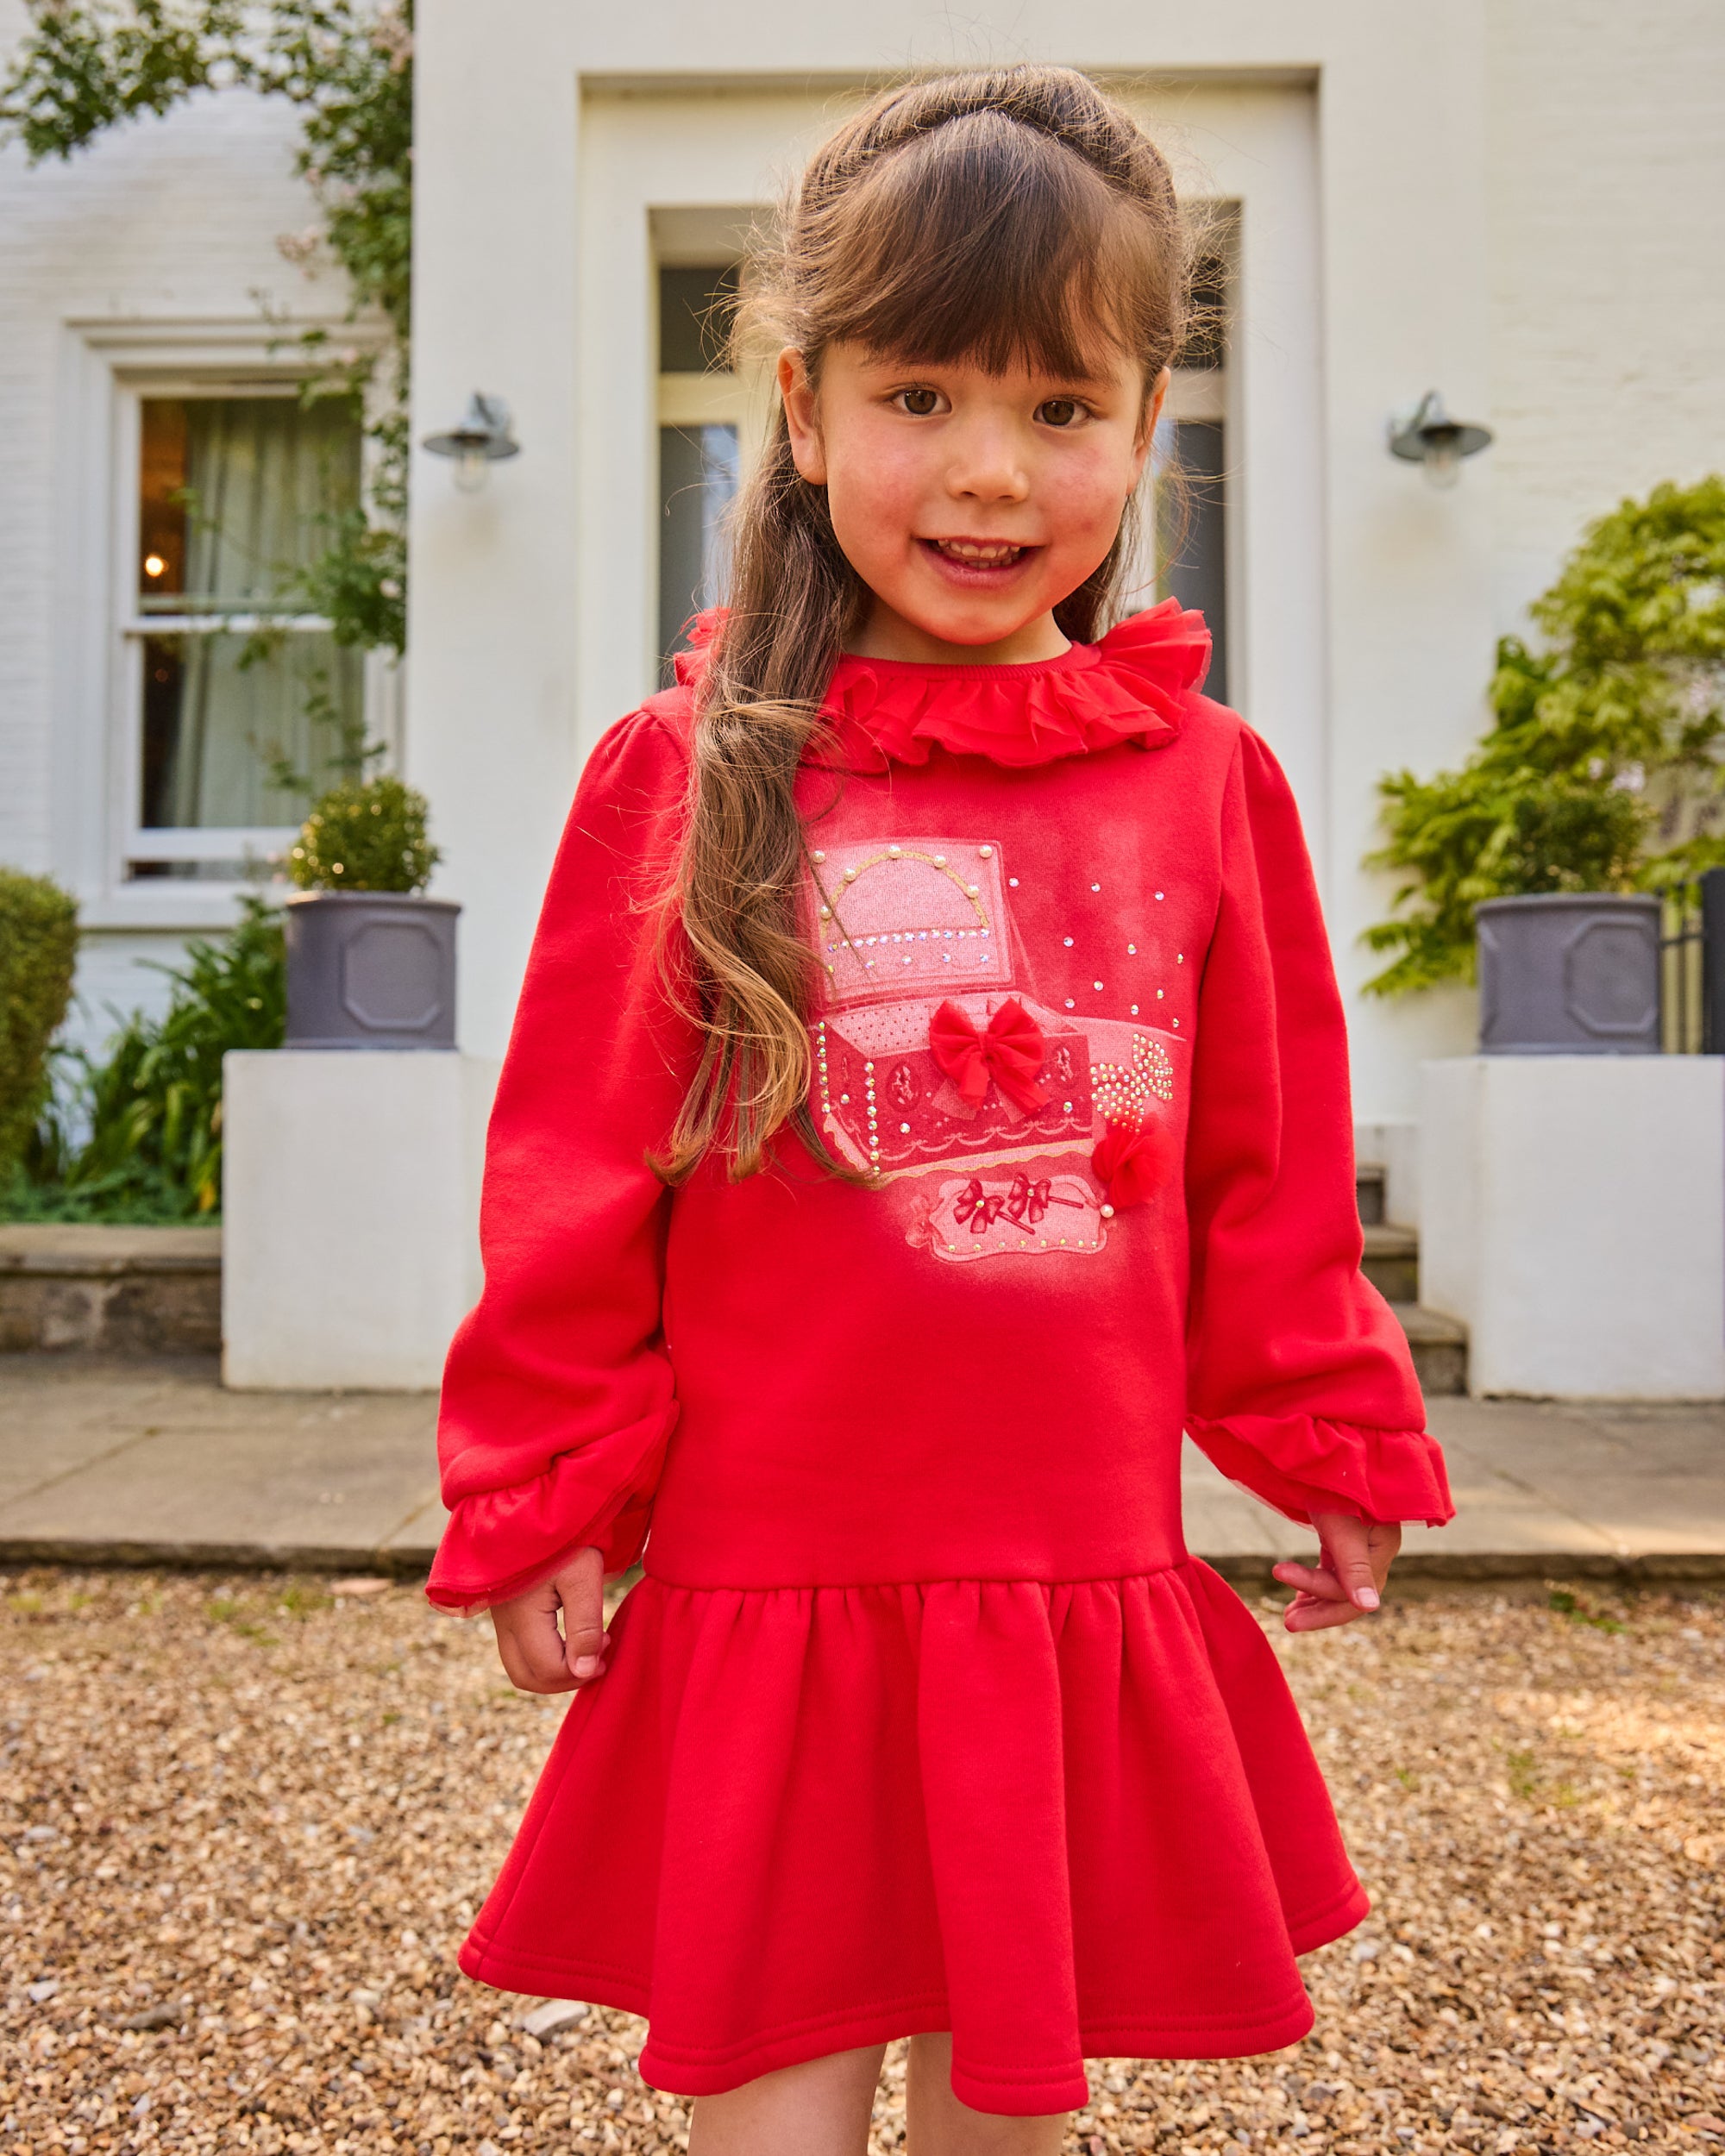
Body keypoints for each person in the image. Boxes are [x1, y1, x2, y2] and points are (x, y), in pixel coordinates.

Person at [425, 64, 1454, 2156]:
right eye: (919, 398)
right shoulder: (687, 767)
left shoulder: (1207, 783)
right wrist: (540, 1482)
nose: (988, 471)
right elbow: (570, 1170)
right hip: (764, 1588)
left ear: (1144, 429)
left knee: (1012, 2108)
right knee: (771, 2108)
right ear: (800, 412)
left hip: (1066, 1575)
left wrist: (1326, 1423)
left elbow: (1268, 1172)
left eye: (1059, 409)